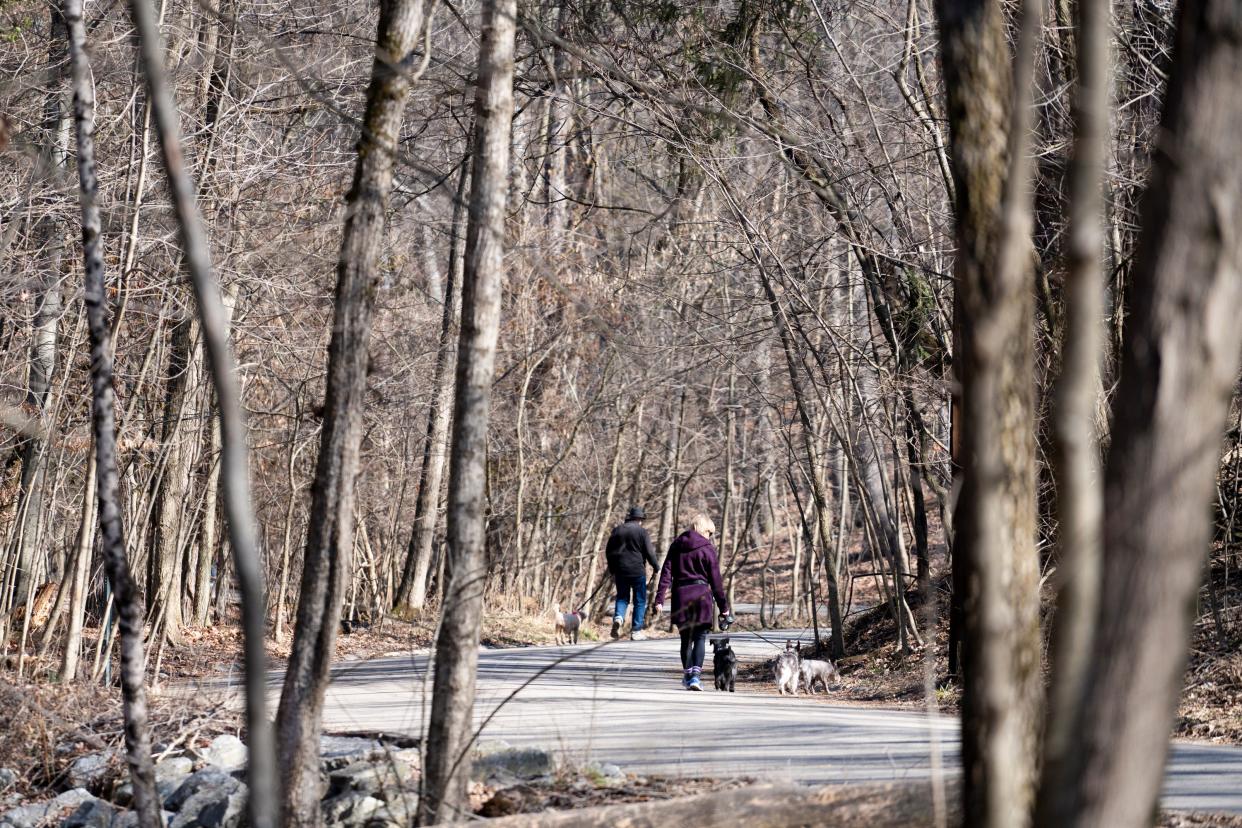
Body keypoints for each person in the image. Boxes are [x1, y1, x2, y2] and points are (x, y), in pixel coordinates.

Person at [652, 513, 730, 690]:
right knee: (700, 637)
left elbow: (666, 573)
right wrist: (724, 607)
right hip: (701, 596)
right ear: (704, 530)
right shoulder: (707, 548)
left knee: (685, 640)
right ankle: (695, 677)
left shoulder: (677, 545)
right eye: (709, 532)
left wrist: (660, 599)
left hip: (681, 596)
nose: (710, 536)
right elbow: (716, 581)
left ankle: (688, 675)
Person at [604, 506, 659, 640]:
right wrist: (656, 566)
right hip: (637, 571)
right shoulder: (642, 532)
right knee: (639, 600)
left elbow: (609, 551)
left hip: (620, 570)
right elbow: (649, 552)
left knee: (622, 597)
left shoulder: (617, 530)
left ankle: (618, 617)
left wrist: (612, 569)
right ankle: (636, 631)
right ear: (640, 519)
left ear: (629, 517)